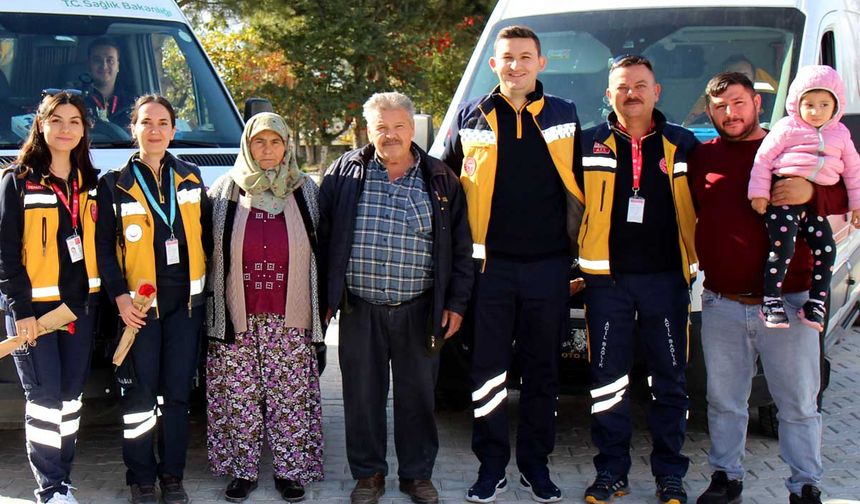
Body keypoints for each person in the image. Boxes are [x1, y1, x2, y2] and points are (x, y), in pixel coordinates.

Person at [689, 71, 847, 504]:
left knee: (797, 404)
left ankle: (805, 486)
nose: (730, 113)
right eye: (719, 106)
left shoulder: (790, 145)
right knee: (724, 402)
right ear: (708, 110)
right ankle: (726, 478)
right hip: (721, 302)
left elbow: (842, 193)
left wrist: (811, 191)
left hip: (791, 303)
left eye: (738, 103)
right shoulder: (702, 157)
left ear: (758, 103)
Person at [441, 25, 582, 504]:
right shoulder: (471, 115)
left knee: (543, 371)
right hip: (489, 270)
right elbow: (445, 185)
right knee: (488, 372)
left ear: (542, 63)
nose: (516, 65)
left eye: (525, 57)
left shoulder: (565, 114)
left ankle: (536, 467)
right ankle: (491, 467)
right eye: (507, 57)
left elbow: (587, 184)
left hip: (549, 267)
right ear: (494, 64)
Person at [318, 91, 473, 504]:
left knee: (418, 397)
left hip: (420, 309)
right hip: (359, 308)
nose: (390, 135)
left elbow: (461, 247)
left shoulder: (440, 178)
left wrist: (455, 303)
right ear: (368, 130)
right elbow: (324, 235)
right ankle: (368, 475)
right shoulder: (344, 172)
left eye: (398, 126)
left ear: (413, 128)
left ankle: (417, 474)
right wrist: (326, 296)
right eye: (381, 127)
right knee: (361, 396)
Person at [575, 55, 698, 504]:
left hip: (666, 281)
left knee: (670, 378)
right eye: (622, 86)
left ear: (657, 91)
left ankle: (670, 474)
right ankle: (611, 471)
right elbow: (566, 207)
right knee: (607, 378)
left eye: (640, 85)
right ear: (608, 95)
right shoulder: (586, 143)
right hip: (607, 282)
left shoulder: (683, 143)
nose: (632, 93)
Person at [95, 94, 211, 504]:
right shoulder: (114, 183)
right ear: (134, 129)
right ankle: (141, 478)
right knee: (140, 397)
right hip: (140, 311)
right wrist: (121, 299)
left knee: (178, 395)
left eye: (163, 122)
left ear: (174, 130)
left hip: (186, 308)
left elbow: (209, 239)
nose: (155, 130)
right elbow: (104, 250)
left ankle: (173, 476)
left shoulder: (193, 178)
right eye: (146, 122)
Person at [205, 112, 324, 502]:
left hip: (290, 316)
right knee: (240, 397)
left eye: (275, 142)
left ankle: (290, 473)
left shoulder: (305, 190)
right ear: (247, 146)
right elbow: (208, 252)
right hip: (238, 314)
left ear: (287, 145)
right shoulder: (224, 191)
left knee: (289, 397)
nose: (268, 150)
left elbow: (321, 249)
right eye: (260, 142)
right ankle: (242, 471)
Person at [0, 90, 100, 504]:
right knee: (43, 401)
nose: (65, 128)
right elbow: (5, 254)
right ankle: (50, 488)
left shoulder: (91, 183)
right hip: (34, 313)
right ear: (40, 124)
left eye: (74, 120)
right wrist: (20, 311)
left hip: (78, 311)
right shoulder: (16, 180)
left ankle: (63, 478)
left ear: (83, 130)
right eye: (56, 119)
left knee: (70, 399)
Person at [748, 65, 860, 330]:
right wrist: (759, 194)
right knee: (783, 246)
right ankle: (772, 301)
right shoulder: (786, 128)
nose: (816, 111)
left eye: (824, 104)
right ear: (796, 104)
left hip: (813, 206)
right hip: (783, 198)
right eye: (808, 104)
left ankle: (816, 303)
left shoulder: (841, 134)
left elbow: (854, 172)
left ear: (836, 105)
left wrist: (857, 205)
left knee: (826, 249)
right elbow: (762, 160)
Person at [84, 37, 134, 127]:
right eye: (97, 60)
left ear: (118, 66)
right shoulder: (77, 100)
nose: (104, 66)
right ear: (89, 66)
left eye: (110, 61)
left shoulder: (133, 104)